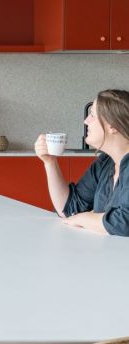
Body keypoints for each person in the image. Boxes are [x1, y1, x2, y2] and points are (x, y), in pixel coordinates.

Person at [35, 89, 129, 236]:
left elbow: (124, 222)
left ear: (112, 125)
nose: (86, 121)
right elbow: (70, 208)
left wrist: (83, 218)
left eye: (92, 115)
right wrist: (50, 162)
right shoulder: (105, 162)